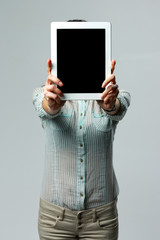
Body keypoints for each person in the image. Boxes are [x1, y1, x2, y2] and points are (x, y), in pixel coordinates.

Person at [32, 19, 131, 240]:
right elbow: (44, 107)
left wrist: (109, 104)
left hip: (101, 220)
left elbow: (119, 106)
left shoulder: (114, 96)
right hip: (54, 221)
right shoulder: (44, 95)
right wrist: (51, 104)